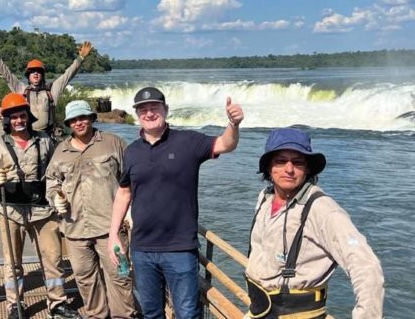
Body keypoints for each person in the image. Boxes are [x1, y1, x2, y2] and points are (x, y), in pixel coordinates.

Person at [107, 86, 245, 319]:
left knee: (187, 313)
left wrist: (233, 124)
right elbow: (123, 193)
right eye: (143, 110)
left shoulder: (188, 142)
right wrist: (113, 236)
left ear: (166, 110)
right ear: (137, 115)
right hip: (142, 248)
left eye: (154, 108)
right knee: (151, 312)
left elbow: (225, 144)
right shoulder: (131, 152)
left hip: (180, 248)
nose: (149, 113)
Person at [245, 128, 384, 319]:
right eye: (280, 160)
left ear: (308, 168)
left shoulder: (323, 210)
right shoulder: (265, 198)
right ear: (269, 166)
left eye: (298, 162)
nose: (289, 169)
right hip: (258, 311)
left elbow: (366, 266)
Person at [0, 93, 80, 319]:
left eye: (22, 116)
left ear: (29, 117)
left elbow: (58, 173)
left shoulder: (45, 141)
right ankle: (15, 305)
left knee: (52, 260)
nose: (19, 121)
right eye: (13, 118)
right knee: (12, 263)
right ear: (6, 121)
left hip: (43, 210)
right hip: (9, 211)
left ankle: (57, 303)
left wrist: (62, 196)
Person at [46, 100, 138, 319]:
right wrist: (54, 198)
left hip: (111, 229)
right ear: (68, 123)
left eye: (83, 117)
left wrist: (131, 209)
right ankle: (96, 316)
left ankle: (124, 316)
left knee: (120, 276)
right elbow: (52, 182)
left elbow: (132, 178)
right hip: (75, 230)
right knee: (85, 279)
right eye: (74, 120)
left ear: (92, 118)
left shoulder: (113, 143)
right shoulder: (61, 150)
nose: (79, 123)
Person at [0, 38, 93, 135]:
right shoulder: (22, 89)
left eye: (38, 72)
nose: (35, 73)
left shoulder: (52, 90)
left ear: (42, 75)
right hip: (27, 135)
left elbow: (68, 75)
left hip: (47, 135)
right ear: (28, 75)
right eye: (32, 72)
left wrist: (80, 58)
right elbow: (6, 74)